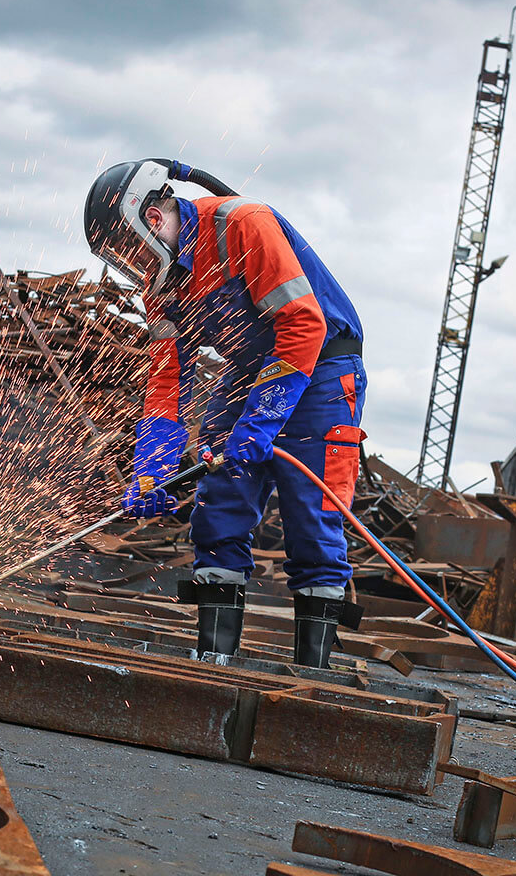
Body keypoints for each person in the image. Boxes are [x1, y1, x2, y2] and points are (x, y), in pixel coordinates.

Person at [84, 159, 367, 668]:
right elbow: (168, 379)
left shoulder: (243, 224)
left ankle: (313, 672)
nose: (134, 266)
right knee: (219, 506)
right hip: (246, 371)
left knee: (313, 518)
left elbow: (304, 325)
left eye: (129, 250)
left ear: (151, 219)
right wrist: (152, 469)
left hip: (323, 370)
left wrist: (261, 421)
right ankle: (214, 659)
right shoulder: (161, 284)